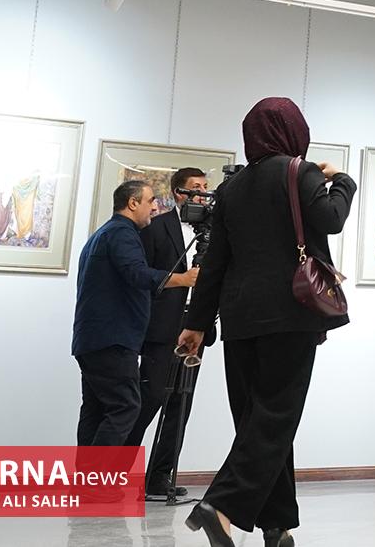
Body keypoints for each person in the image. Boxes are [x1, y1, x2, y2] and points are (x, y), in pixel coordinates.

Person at [180, 97, 355, 547]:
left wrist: (197, 322)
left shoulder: (233, 188)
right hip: (290, 313)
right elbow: (332, 219)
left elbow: (215, 262)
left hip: (240, 318)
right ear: (294, 131)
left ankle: (277, 526)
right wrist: (342, 181)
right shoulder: (300, 172)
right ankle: (220, 505)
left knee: (258, 421)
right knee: (275, 419)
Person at [75, 179, 189, 448]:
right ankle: (100, 475)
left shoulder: (103, 234)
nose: (155, 208)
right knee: (125, 407)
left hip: (92, 339)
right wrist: (183, 279)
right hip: (113, 339)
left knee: (96, 409)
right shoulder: (122, 234)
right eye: (150, 201)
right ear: (133, 203)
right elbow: (137, 273)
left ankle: (87, 475)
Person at [123, 167, 208, 501]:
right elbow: (142, 276)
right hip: (161, 327)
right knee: (150, 397)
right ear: (179, 193)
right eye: (196, 188)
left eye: (206, 187)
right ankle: (117, 473)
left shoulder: (215, 232)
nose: (203, 194)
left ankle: (159, 476)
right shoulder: (156, 227)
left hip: (195, 325)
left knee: (181, 403)